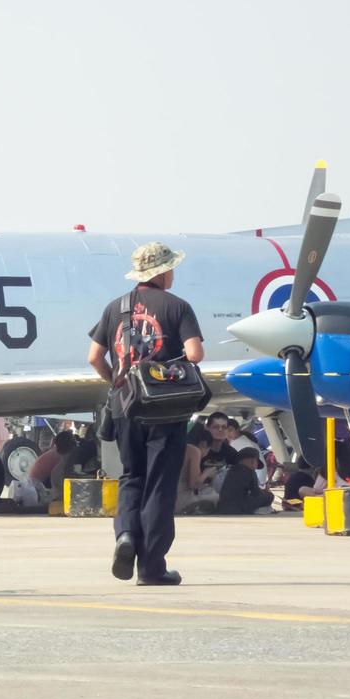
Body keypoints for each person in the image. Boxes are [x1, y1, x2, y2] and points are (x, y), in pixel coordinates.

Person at [88, 242, 204, 586]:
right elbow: (194, 354)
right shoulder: (177, 306)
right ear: (162, 272)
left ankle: (125, 535)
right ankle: (152, 567)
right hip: (165, 407)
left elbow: (95, 356)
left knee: (131, 477)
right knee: (160, 485)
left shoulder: (115, 307)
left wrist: (119, 382)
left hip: (126, 405)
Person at [215, 449, 275, 515]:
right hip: (239, 507)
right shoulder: (250, 472)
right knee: (270, 496)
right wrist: (266, 492)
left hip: (222, 506)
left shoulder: (231, 471)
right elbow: (256, 493)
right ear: (253, 461)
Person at [176, 425, 218, 514]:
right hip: (180, 500)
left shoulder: (169, 447)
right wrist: (207, 473)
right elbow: (194, 484)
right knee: (216, 497)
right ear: (204, 444)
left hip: (163, 498)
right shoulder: (193, 451)